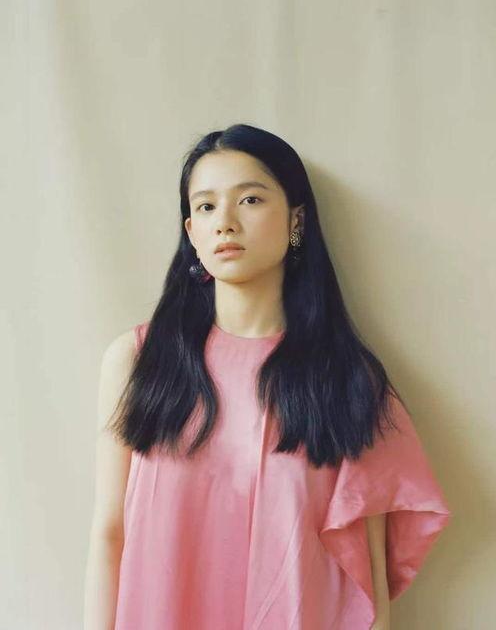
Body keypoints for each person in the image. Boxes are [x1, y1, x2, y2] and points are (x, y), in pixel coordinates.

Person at [83, 123, 452, 630]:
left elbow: (367, 583)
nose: (225, 222)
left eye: (250, 200)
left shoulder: (345, 377)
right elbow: (110, 533)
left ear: (296, 219)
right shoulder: (138, 361)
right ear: (190, 231)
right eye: (206, 206)